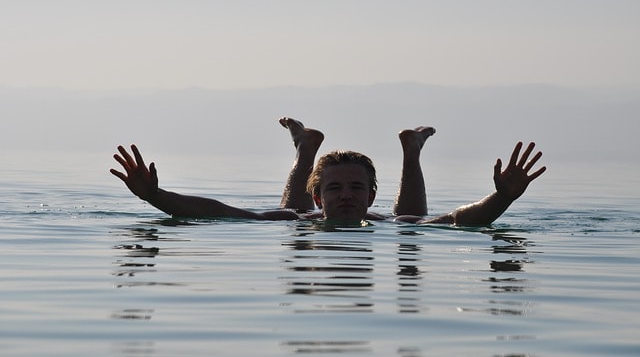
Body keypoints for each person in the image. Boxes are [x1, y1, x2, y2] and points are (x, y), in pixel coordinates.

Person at [110, 117, 546, 227]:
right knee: (292, 227)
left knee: (410, 227)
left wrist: (503, 198)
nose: (347, 195)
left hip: (390, 223)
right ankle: (307, 151)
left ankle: (410, 152)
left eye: (357, 188)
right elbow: (218, 211)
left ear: (371, 196)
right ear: (318, 198)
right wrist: (155, 195)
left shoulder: (379, 220)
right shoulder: (296, 217)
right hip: (302, 225)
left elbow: (455, 220)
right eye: (334, 189)